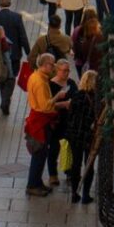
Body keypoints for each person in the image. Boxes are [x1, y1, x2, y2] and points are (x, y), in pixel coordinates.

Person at [24, 53, 59, 196]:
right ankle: (32, 185)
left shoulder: (37, 76)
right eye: (52, 64)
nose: (54, 67)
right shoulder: (39, 81)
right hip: (40, 121)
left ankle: (37, 182)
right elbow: (45, 105)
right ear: (44, 65)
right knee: (39, 154)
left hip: (39, 119)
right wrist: (58, 97)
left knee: (42, 154)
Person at [0, 0, 29, 116]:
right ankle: (5, 100)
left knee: (2, 76)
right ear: (10, 3)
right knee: (11, 77)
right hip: (14, 54)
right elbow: (22, 36)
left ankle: (4, 96)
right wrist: (28, 52)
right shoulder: (17, 17)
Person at [46, 58, 78, 187]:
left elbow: (77, 97)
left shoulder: (71, 82)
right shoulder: (50, 85)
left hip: (70, 120)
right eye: (64, 71)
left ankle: (69, 171)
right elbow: (47, 105)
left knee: (69, 146)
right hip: (55, 121)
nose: (66, 73)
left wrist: (73, 103)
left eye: (68, 70)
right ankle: (52, 175)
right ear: (57, 70)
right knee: (54, 148)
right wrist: (63, 104)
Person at [68, 70, 99, 203]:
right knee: (89, 164)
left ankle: (74, 193)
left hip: (75, 135)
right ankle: (86, 194)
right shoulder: (96, 99)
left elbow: (70, 115)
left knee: (76, 164)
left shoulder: (76, 96)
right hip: (89, 136)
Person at [72, 10, 105, 75]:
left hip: (81, 63)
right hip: (96, 66)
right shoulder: (100, 33)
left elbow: (74, 44)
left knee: (84, 83)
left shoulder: (77, 30)